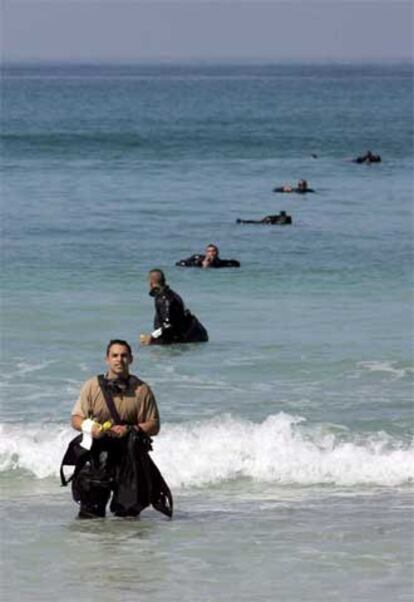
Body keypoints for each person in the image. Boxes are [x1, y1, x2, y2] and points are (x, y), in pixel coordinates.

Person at [61, 339, 173, 519]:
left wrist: (130, 429)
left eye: (124, 356)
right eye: (115, 356)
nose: (119, 360)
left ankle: (126, 547)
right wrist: (91, 427)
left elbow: (154, 425)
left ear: (131, 359)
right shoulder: (92, 386)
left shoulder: (142, 390)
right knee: (90, 517)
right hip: (97, 457)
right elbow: (75, 420)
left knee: (128, 517)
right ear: (107, 359)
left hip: (130, 458)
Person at [139, 269, 208, 345]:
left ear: (151, 283)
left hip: (191, 338)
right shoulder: (169, 294)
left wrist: (151, 336)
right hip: (195, 334)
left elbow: (169, 325)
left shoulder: (165, 299)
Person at [176, 244, 241, 268]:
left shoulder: (220, 263)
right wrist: (201, 264)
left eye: (214, 251)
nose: (212, 253)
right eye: (209, 251)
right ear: (206, 253)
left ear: (217, 252)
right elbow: (180, 263)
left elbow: (236, 263)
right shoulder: (198, 258)